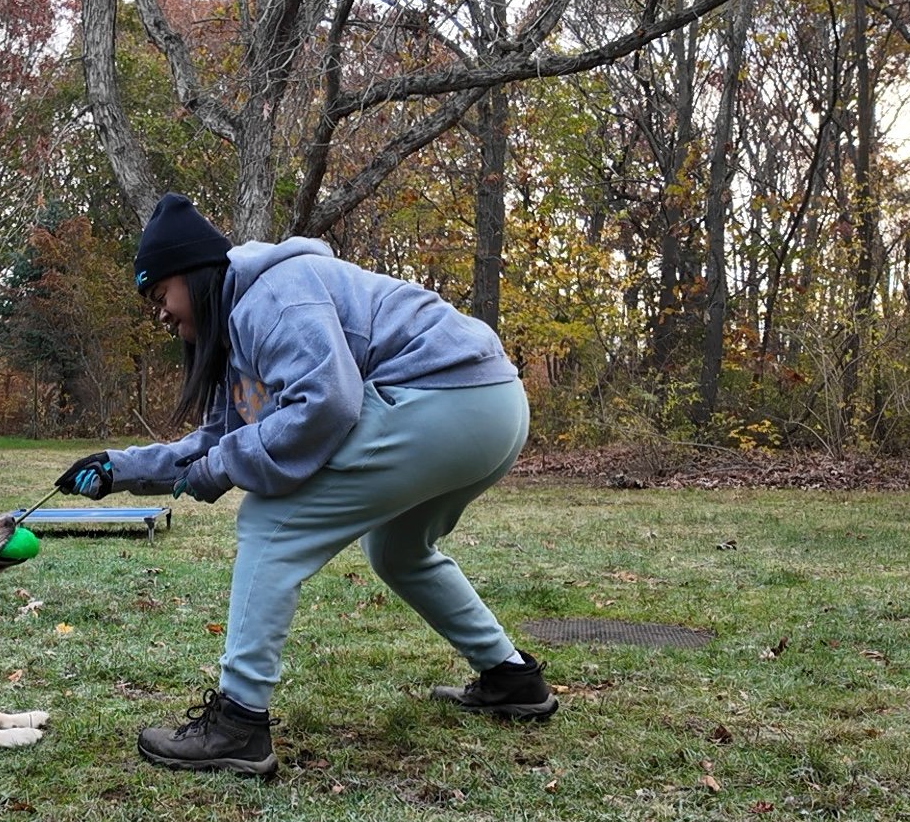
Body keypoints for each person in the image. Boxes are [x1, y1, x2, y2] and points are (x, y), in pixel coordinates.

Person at [54, 192, 556, 776]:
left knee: (270, 524)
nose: (159, 314)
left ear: (193, 274)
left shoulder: (273, 295)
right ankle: (510, 676)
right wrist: (120, 468)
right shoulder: (237, 338)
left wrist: (222, 471)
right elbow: (216, 441)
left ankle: (238, 723)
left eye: (159, 294)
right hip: (491, 410)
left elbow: (325, 403)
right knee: (398, 550)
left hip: (445, 396)